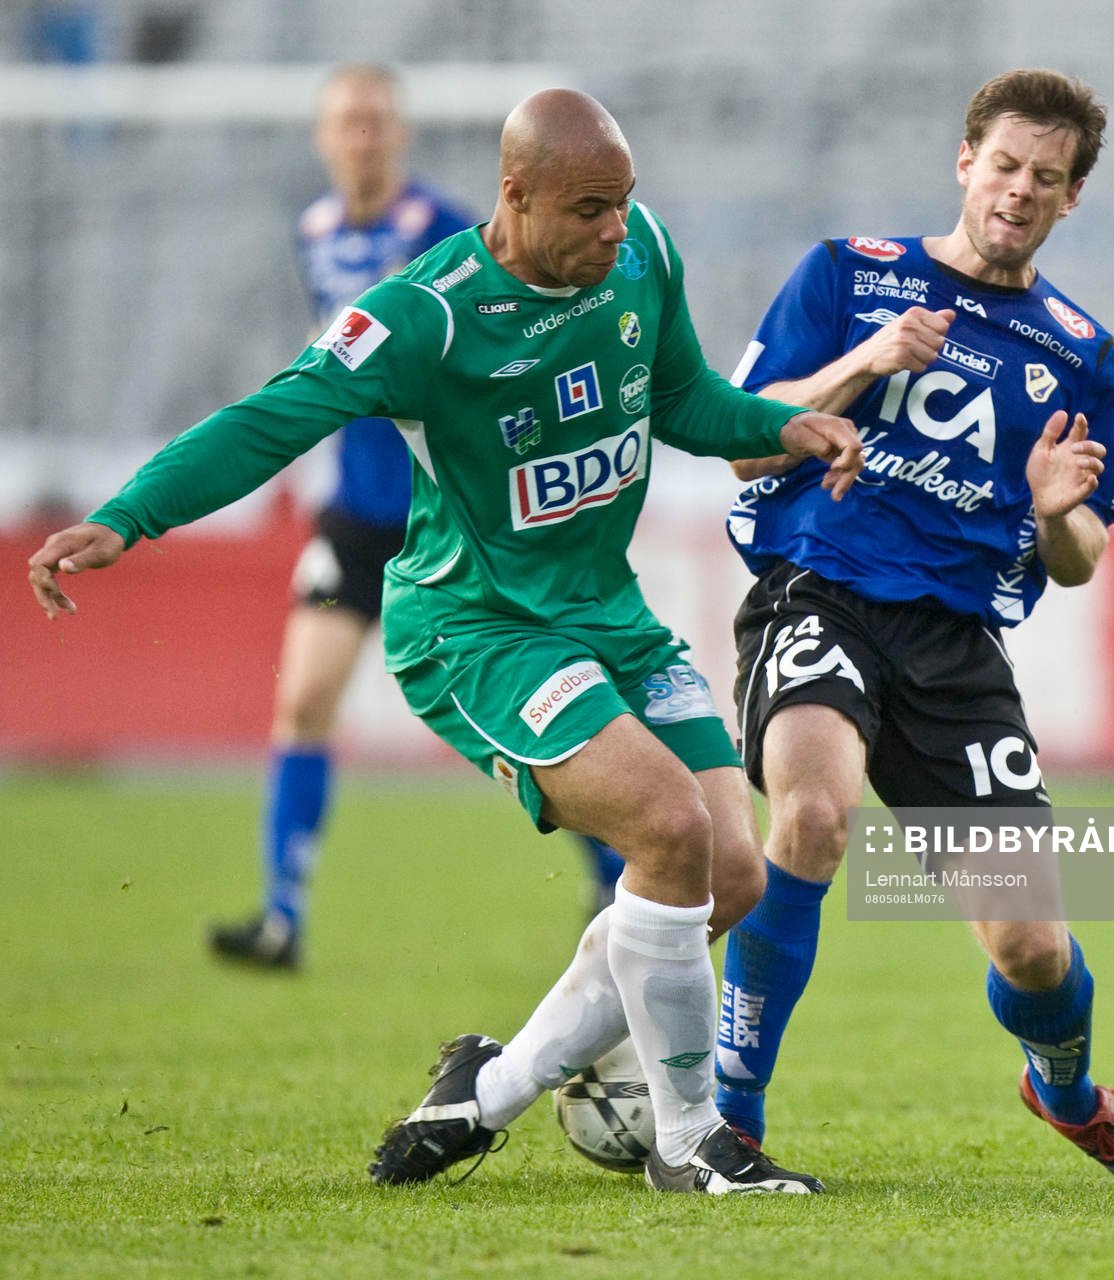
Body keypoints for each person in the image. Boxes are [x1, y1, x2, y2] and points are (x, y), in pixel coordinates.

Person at [29, 89, 862, 1195]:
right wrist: (128, 514)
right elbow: (272, 415)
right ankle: (691, 1141)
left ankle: (490, 1086)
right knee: (666, 829)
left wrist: (778, 425)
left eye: (624, 204)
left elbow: (685, 398)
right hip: (477, 628)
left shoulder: (640, 251)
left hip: (604, 610)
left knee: (734, 875)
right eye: (589, 209)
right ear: (514, 196)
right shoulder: (425, 316)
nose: (616, 230)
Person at [713, 68, 1114, 1177]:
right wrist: (867, 361)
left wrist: (1052, 509)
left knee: (1031, 946)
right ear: (966, 160)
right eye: (1007, 165)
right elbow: (742, 442)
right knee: (813, 816)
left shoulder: (1080, 351)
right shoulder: (847, 275)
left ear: (1072, 200)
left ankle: (1064, 1091)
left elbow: (1078, 562)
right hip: (817, 591)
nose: (1021, 190)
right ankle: (730, 1114)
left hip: (954, 643)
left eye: (1049, 178)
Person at [204, 64, 624, 970]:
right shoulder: (313, 232)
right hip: (356, 515)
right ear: (323, 135)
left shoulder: (439, 231)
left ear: (400, 135)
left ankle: (612, 865)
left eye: (377, 122)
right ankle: (283, 918)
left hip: (453, 517)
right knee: (303, 701)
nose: (362, 137)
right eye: (347, 121)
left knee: (522, 731)